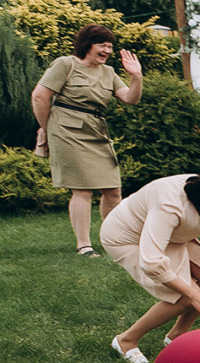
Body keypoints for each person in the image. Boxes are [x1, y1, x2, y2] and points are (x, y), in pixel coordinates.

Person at [101, 172, 200, 363]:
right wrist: (194, 296)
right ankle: (126, 340)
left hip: (172, 234)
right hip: (127, 238)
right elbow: (152, 262)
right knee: (185, 295)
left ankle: (176, 337)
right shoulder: (169, 205)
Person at [31, 24, 143, 257]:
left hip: (96, 131)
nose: (107, 50)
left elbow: (130, 99)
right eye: (102, 45)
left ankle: (114, 237)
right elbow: (40, 96)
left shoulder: (109, 72)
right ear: (87, 45)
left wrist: (136, 76)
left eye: (110, 46)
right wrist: (47, 128)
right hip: (67, 129)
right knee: (83, 190)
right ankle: (84, 245)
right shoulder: (66, 64)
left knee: (113, 189)